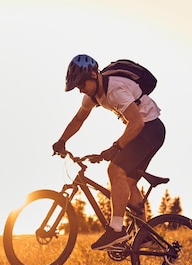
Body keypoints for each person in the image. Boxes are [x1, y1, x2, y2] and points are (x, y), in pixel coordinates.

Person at [53, 54, 166, 250]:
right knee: (127, 184)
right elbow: (79, 119)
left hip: (150, 129)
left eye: (81, 84)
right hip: (146, 130)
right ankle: (146, 236)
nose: (80, 89)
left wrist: (116, 147)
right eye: (77, 87)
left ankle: (116, 231)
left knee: (114, 171)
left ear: (94, 76)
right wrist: (62, 140)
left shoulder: (115, 89)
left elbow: (137, 122)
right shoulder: (92, 96)